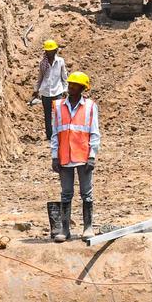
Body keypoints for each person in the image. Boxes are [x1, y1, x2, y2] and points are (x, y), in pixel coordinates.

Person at [50, 71, 99, 242]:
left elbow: (94, 133)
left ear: (82, 88)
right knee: (66, 194)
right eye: (70, 84)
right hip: (64, 157)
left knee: (86, 193)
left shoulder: (90, 107)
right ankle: (65, 229)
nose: (70, 87)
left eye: (74, 85)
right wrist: (54, 156)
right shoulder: (57, 106)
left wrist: (92, 156)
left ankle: (88, 226)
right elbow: (55, 133)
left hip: (83, 156)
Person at [32, 40, 68, 142]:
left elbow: (64, 76)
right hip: (46, 92)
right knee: (47, 115)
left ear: (56, 50)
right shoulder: (43, 63)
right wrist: (36, 90)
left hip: (58, 92)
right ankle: (49, 136)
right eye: (48, 51)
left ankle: (59, 134)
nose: (50, 53)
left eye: (51, 51)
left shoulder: (60, 61)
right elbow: (40, 78)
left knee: (59, 115)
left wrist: (65, 89)